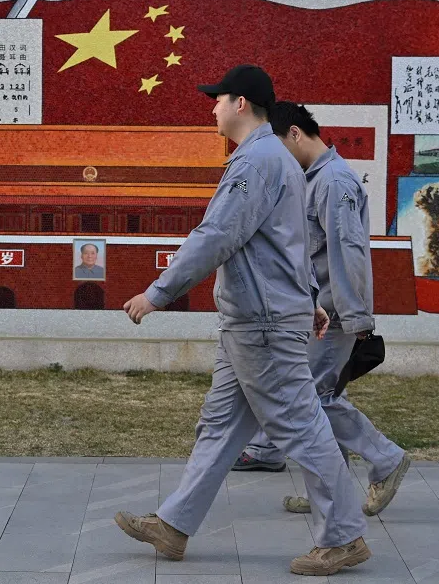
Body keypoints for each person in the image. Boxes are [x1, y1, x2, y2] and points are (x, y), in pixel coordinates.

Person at [115, 65, 370, 577]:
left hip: (261, 322)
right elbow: (293, 242)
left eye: (217, 99)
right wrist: (311, 298)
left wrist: (157, 292)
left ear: (240, 104)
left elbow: (217, 236)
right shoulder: (279, 160)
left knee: (300, 426)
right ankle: (174, 525)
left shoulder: (255, 162)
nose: (211, 107)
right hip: (257, 318)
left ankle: (343, 537)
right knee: (221, 428)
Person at [234, 102, 411, 514]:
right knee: (316, 400)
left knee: (312, 401)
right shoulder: (314, 179)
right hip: (319, 312)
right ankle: (333, 493)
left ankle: (385, 459)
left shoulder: (334, 182)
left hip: (333, 315)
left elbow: (348, 253)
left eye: (277, 145)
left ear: (295, 133)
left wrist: (357, 319)